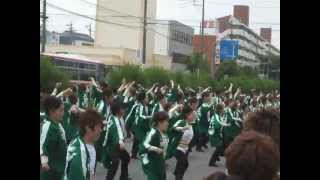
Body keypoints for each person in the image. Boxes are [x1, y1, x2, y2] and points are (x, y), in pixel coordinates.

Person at [63, 109, 103, 180]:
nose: (100, 130)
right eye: (98, 127)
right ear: (88, 128)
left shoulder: (86, 142)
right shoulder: (80, 156)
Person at [102, 101, 132, 180]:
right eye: (122, 108)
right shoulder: (115, 120)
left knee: (126, 158)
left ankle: (123, 177)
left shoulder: (120, 117)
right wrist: (121, 142)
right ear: (118, 111)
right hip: (111, 146)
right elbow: (116, 131)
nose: (124, 110)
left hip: (116, 145)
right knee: (115, 163)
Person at [40, 96, 67, 180]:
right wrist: (44, 162)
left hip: (59, 170)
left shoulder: (58, 125)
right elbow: (41, 144)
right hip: (50, 171)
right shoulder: (47, 126)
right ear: (52, 111)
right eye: (61, 110)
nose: (63, 113)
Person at [166, 106, 195, 180]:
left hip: (184, 148)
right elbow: (173, 128)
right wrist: (181, 128)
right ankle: (178, 176)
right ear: (186, 115)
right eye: (191, 114)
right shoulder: (181, 122)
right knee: (183, 164)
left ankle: (177, 173)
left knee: (183, 164)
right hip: (177, 147)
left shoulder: (190, 123)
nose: (193, 115)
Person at [139, 112, 169, 180]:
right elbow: (143, 145)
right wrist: (155, 148)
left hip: (161, 164)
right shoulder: (153, 133)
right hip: (153, 166)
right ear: (159, 122)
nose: (168, 123)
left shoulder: (164, 133)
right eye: (166, 121)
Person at [131, 91, 152, 160]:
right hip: (138, 126)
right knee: (143, 140)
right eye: (146, 97)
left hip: (142, 127)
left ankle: (133, 154)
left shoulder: (146, 106)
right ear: (143, 99)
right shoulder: (140, 106)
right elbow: (140, 116)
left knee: (137, 140)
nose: (148, 99)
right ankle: (144, 154)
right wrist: (149, 117)